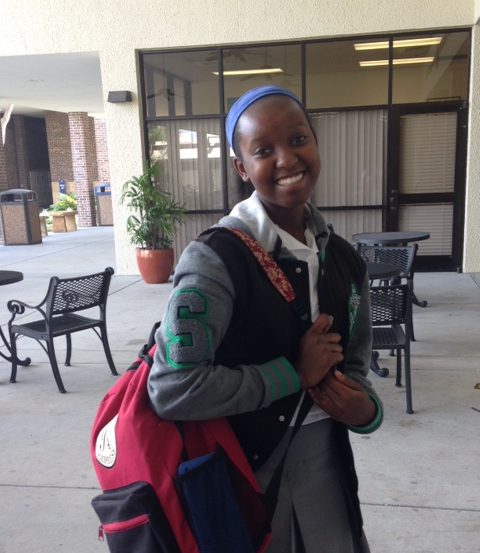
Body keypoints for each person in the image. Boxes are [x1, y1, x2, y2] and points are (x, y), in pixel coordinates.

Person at [148, 85, 383, 553]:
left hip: (330, 469)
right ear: (241, 167)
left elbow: (354, 363)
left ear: (315, 142)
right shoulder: (215, 260)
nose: (286, 159)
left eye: (298, 139)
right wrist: (293, 374)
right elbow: (172, 389)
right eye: (263, 150)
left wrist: (367, 411)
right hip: (245, 475)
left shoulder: (344, 259)